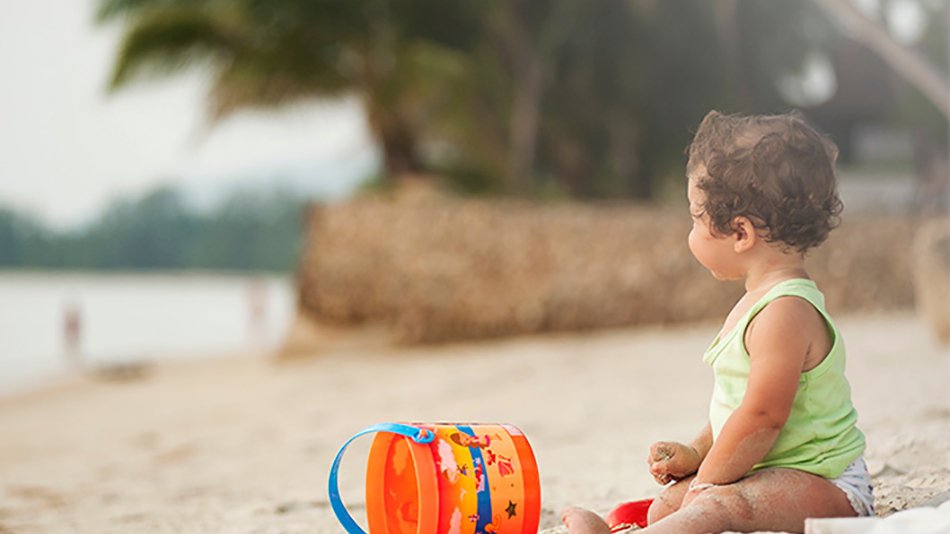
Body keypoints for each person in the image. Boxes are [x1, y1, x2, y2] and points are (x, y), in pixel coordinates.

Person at [562, 111, 874, 533]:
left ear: (740, 233)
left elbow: (763, 416)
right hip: (780, 470)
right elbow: (739, 406)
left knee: (718, 506)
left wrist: (707, 481)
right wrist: (696, 453)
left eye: (695, 217)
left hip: (830, 487)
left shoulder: (785, 313)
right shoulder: (759, 302)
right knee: (666, 507)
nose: (690, 230)